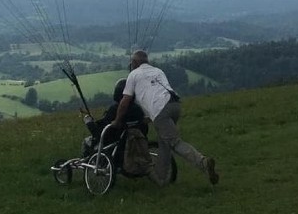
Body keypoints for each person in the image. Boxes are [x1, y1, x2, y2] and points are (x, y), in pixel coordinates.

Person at [111, 50, 219, 187]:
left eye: (131, 62)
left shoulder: (133, 74)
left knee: (174, 142)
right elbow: (155, 92)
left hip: (161, 109)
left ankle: (203, 162)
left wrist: (117, 120)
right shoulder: (158, 71)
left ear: (135, 63)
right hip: (174, 105)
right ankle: (161, 179)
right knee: (164, 143)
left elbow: (125, 100)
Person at [81, 78, 147, 158]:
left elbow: (100, 134)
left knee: (87, 141)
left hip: (114, 144)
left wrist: (89, 122)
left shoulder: (115, 109)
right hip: (134, 143)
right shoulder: (138, 110)